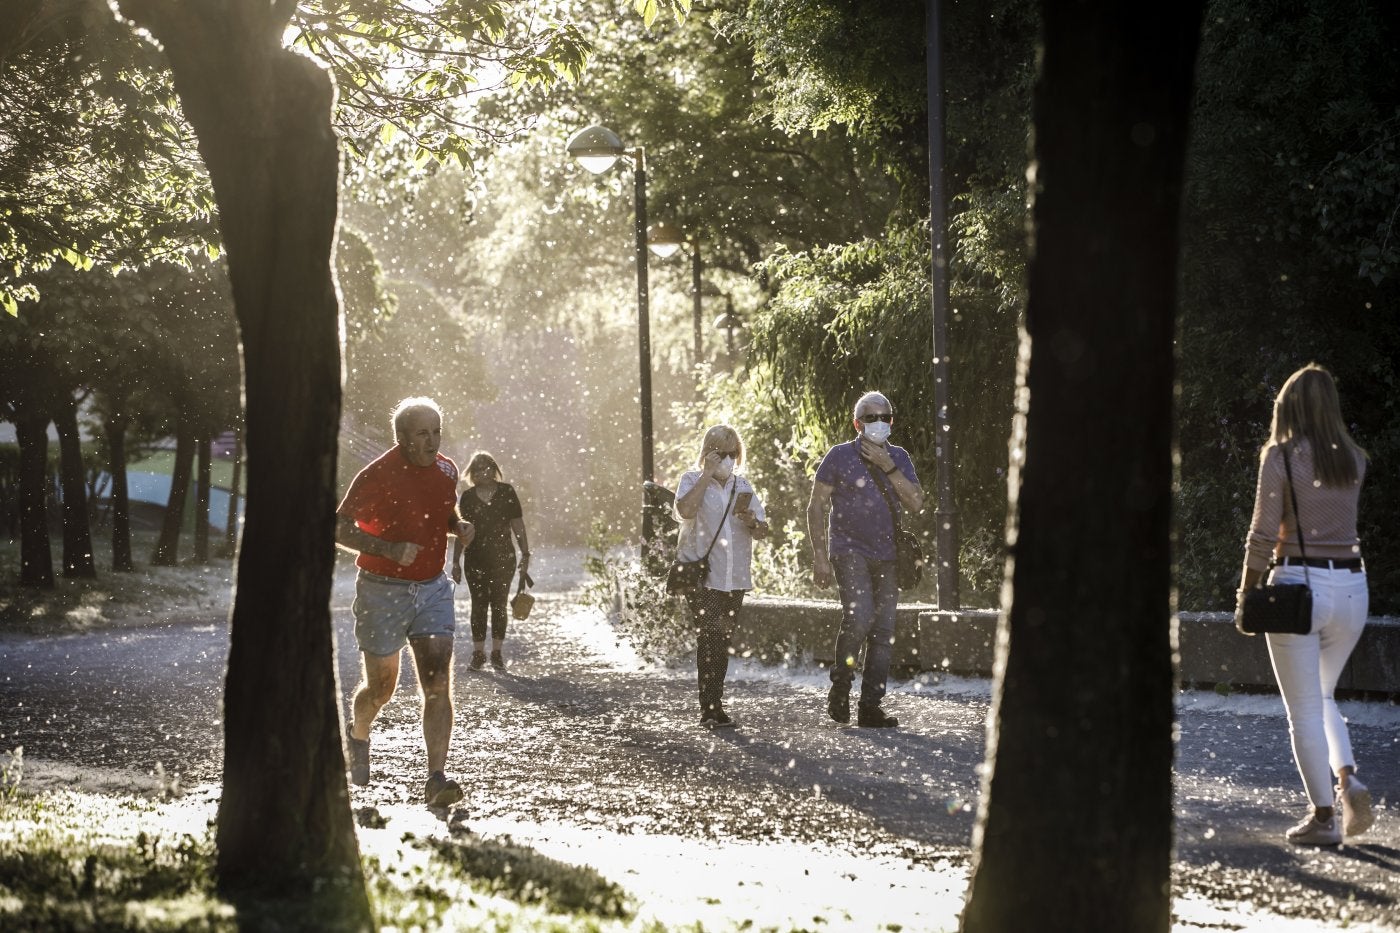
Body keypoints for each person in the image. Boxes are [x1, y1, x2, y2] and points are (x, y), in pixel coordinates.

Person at [1237, 364, 1373, 846]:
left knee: (1303, 711)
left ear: (1288, 407)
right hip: (1354, 590)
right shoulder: (1354, 460)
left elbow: (1260, 535)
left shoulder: (1281, 457)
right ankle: (1348, 778)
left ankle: (1323, 819)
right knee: (1323, 695)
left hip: (1300, 588)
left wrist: (1246, 594)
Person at [336, 397, 474, 808]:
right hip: (382, 590)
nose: (432, 441)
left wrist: (458, 526)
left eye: (437, 432)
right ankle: (358, 734)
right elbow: (338, 527)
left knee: (437, 685)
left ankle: (436, 778)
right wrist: (389, 548)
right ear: (401, 438)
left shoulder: (447, 469)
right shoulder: (376, 475)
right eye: (422, 433)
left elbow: (442, 510)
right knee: (381, 689)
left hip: (432, 587)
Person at [807, 391, 923, 728]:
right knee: (859, 620)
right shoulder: (839, 456)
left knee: (884, 631)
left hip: (889, 557)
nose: (878, 423)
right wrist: (819, 555)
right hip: (849, 551)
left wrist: (889, 468)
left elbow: (916, 503)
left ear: (891, 421)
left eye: (884, 417)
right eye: (870, 418)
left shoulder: (898, 456)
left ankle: (870, 706)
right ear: (857, 424)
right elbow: (816, 505)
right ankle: (840, 688)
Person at [673, 424, 769, 727]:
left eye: (733, 453)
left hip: (734, 576)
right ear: (707, 453)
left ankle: (715, 703)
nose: (728, 459)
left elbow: (763, 532)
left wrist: (753, 521)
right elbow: (685, 510)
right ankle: (710, 707)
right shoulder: (691, 480)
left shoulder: (744, 486)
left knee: (721, 639)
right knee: (711, 635)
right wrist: (706, 474)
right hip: (702, 575)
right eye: (721, 453)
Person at [451, 452, 530, 671]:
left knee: (499, 604)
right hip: (475, 558)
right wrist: (455, 561)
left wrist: (526, 553)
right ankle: (478, 653)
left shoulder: (507, 492)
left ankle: (496, 653)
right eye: (477, 470)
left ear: (494, 469)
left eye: (487, 468)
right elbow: (461, 530)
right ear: (472, 474)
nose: (483, 473)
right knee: (478, 605)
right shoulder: (467, 497)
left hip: (504, 558)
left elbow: (517, 525)